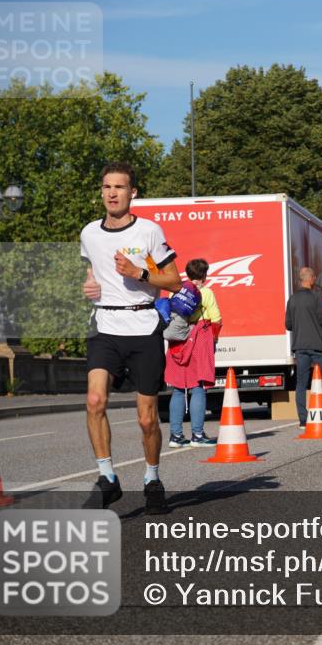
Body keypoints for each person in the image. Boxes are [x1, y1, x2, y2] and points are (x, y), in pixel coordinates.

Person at [80, 162, 181, 514]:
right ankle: (108, 478)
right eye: (106, 187)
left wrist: (140, 272)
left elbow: (174, 282)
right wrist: (89, 287)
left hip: (142, 327)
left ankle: (152, 480)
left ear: (132, 193)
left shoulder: (149, 232)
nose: (111, 193)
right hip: (105, 326)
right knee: (95, 401)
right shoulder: (89, 233)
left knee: (146, 419)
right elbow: (92, 276)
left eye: (119, 188)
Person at [166, 258, 222, 448]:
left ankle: (175, 435)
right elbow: (216, 319)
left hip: (177, 342)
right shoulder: (206, 293)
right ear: (204, 275)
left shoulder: (176, 291)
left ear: (188, 274)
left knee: (178, 388)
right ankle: (197, 435)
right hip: (198, 340)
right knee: (198, 387)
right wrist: (213, 343)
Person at [286, 266, 322, 427]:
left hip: (300, 346)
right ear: (311, 278)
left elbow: (288, 325)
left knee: (301, 382)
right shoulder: (317, 297)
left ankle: (302, 419)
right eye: (314, 277)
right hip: (318, 345)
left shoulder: (292, 299)